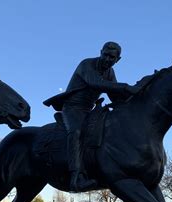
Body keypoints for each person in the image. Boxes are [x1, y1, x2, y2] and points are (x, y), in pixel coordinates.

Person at [43, 42, 140, 191]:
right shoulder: (86, 64)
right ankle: (76, 177)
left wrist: (134, 101)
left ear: (117, 59)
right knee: (76, 132)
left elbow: (114, 95)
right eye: (105, 55)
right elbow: (95, 83)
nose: (107, 59)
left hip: (89, 109)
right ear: (101, 52)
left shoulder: (110, 72)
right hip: (72, 108)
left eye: (112, 57)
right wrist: (126, 87)